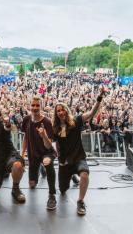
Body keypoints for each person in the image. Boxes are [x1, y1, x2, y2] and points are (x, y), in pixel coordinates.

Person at [52, 87, 104, 215]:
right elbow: (53, 143)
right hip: (64, 162)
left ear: (66, 110)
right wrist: (56, 154)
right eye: (58, 111)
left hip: (78, 158)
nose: (60, 112)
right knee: (62, 190)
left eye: (62, 109)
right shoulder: (55, 128)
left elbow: (92, 113)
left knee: (85, 174)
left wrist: (99, 97)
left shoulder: (76, 121)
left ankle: (80, 201)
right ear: (56, 114)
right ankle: (71, 176)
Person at [21, 96, 57, 210]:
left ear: (41, 106)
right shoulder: (26, 119)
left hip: (46, 152)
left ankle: (52, 195)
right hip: (33, 153)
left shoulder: (46, 122)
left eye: (37, 105)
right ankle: (41, 168)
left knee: (47, 162)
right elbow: (26, 137)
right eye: (33, 105)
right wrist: (22, 154)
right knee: (32, 185)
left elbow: (49, 145)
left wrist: (44, 136)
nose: (35, 107)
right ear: (29, 106)